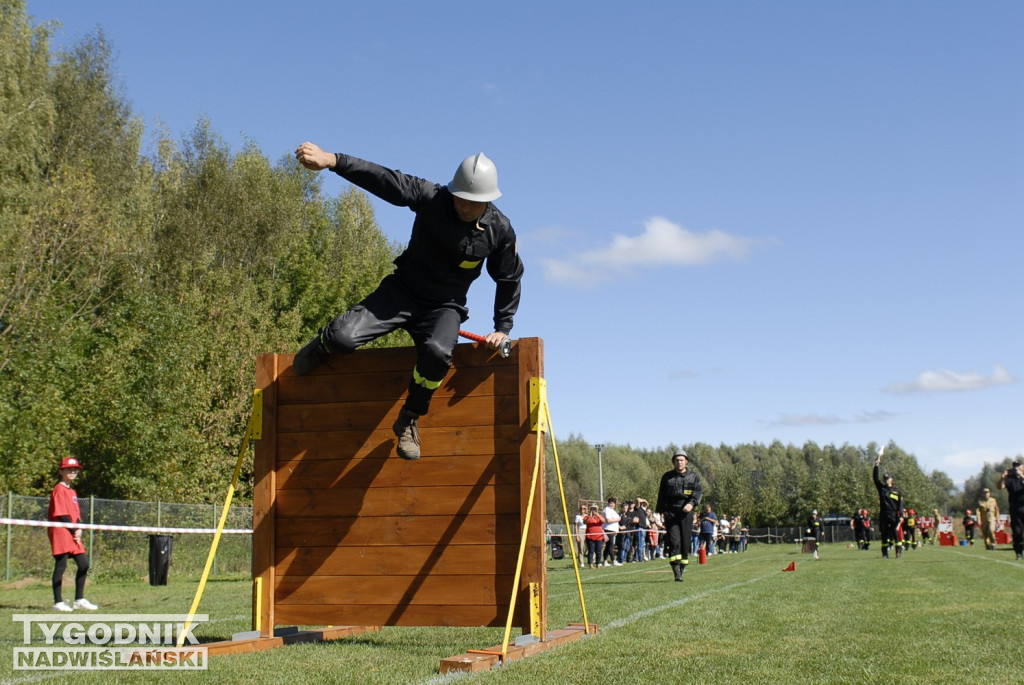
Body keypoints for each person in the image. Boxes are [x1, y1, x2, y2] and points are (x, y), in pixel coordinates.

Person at [292, 144, 524, 460]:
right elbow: (384, 179)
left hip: (444, 307)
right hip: (402, 292)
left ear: (488, 200)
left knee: (438, 354)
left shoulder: (499, 230)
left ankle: (410, 418)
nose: (465, 207)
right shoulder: (430, 196)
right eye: (460, 198)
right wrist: (333, 161)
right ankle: (322, 344)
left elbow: (509, 278)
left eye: (474, 203)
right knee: (342, 338)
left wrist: (503, 327)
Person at [47, 457, 98, 612]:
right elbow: (61, 514)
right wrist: (74, 530)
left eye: (75, 469)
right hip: (61, 531)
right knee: (61, 564)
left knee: (84, 564)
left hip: (73, 531)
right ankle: (58, 602)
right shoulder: (59, 489)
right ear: (61, 471)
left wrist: (79, 528)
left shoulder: (72, 491)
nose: (73, 471)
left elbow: (76, 514)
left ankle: (79, 599)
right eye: (69, 469)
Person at [655, 450, 704, 582]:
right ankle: (676, 570)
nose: (679, 462)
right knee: (674, 541)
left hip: (686, 513)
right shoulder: (667, 477)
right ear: (673, 462)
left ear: (686, 461)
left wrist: (692, 504)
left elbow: (698, 492)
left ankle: (682, 566)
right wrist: (659, 511)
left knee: (685, 543)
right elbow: (661, 495)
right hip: (670, 512)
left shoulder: (693, 477)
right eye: (677, 460)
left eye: (682, 460)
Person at [873, 447, 904, 559]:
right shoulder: (882, 489)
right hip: (884, 514)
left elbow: (900, 504)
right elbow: (875, 478)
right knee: (884, 535)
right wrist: (876, 465)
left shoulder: (897, 491)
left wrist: (901, 515)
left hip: (894, 515)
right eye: (885, 479)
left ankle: (898, 552)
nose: (886, 480)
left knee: (896, 535)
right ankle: (885, 554)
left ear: (892, 479)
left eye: (888, 479)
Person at [998, 459, 1024, 560]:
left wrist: (1021, 475)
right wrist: (1002, 478)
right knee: (1017, 532)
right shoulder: (1010, 480)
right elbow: (1000, 487)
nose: (1016, 469)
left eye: (1018, 466)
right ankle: (1019, 552)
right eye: (1014, 467)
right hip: (1015, 508)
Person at [601, 497, 621, 567]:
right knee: (611, 546)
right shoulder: (607, 510)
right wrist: (617, 519)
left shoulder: (613, 511)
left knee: (608, 546)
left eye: (614, 503)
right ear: (608, 503)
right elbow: (608, 520)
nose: (612, 504)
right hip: (608, 529)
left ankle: (605, 561)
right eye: (611, 503)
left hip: (613, 530)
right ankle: (613, 560)